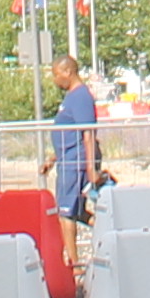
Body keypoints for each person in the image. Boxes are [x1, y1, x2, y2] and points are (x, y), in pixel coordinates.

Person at [45, 55, 102, 219]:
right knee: (74, 212)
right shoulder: (71, 96)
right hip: (66, 160)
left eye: (56, 74)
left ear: (67, 72)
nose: (55, 80)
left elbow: (88, 133)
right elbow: (69, 134)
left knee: (66, 213)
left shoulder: (80, 96)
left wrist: (91, 168)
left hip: (75, 162)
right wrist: (52, 159)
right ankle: (105, 232)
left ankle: (70, 246)